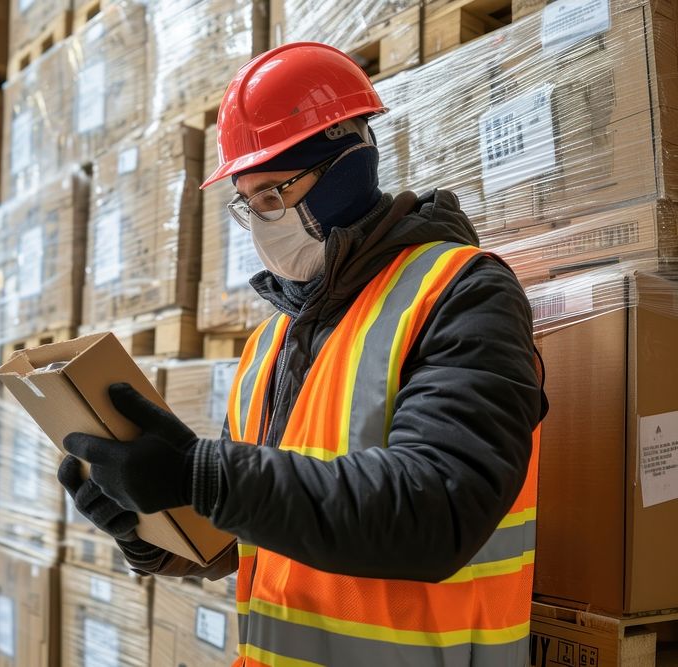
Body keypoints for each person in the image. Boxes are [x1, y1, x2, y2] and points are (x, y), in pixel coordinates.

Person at [58, 41, 547, 666]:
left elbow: (440, 507)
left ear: (347, 168)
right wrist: (155, 531)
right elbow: (260, 534)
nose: (262, 222)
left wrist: (200, 474)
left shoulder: (463, 293)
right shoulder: (271, 343)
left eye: (274, 194)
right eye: (248, 203)